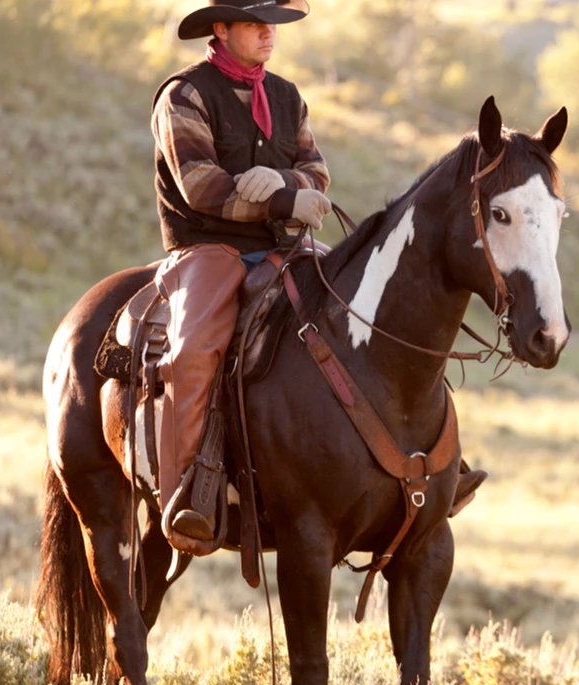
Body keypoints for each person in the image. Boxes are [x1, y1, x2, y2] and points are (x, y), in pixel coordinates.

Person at [151, 0, 484, 542]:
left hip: (288, 247)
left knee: (374, 313)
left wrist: (294, 187)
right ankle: (189, 491)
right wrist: (279, 198)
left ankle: (441, 463)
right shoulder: (184, 96)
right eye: (255, 24)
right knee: (192, 352)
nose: (268, 34)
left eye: (272, 25)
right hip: (209, 250)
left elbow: (316, 170)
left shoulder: (286, 95)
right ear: (221, 28)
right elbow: (199, 185)